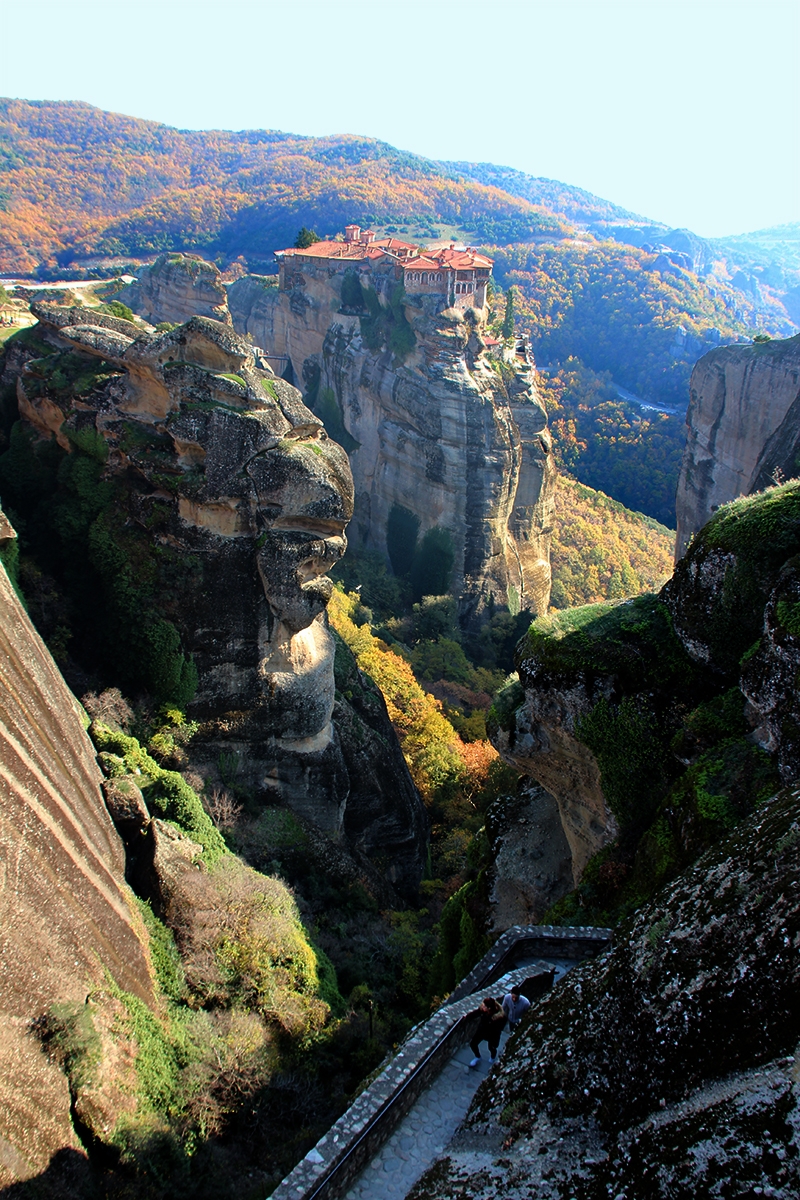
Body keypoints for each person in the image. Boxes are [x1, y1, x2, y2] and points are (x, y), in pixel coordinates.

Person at [468, 996, 506, 1067]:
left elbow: (499, 1028)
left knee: (491, 1048)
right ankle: (478, 1057)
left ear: (489, 1008)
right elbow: (476, 1013)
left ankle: (492, 1057)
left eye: (485, 1006)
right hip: (482, 1030)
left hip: (493, 1034)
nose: (482, 1007)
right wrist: (467, 1017)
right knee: (473, 1044)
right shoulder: (483, 1010)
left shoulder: (498, 1017)